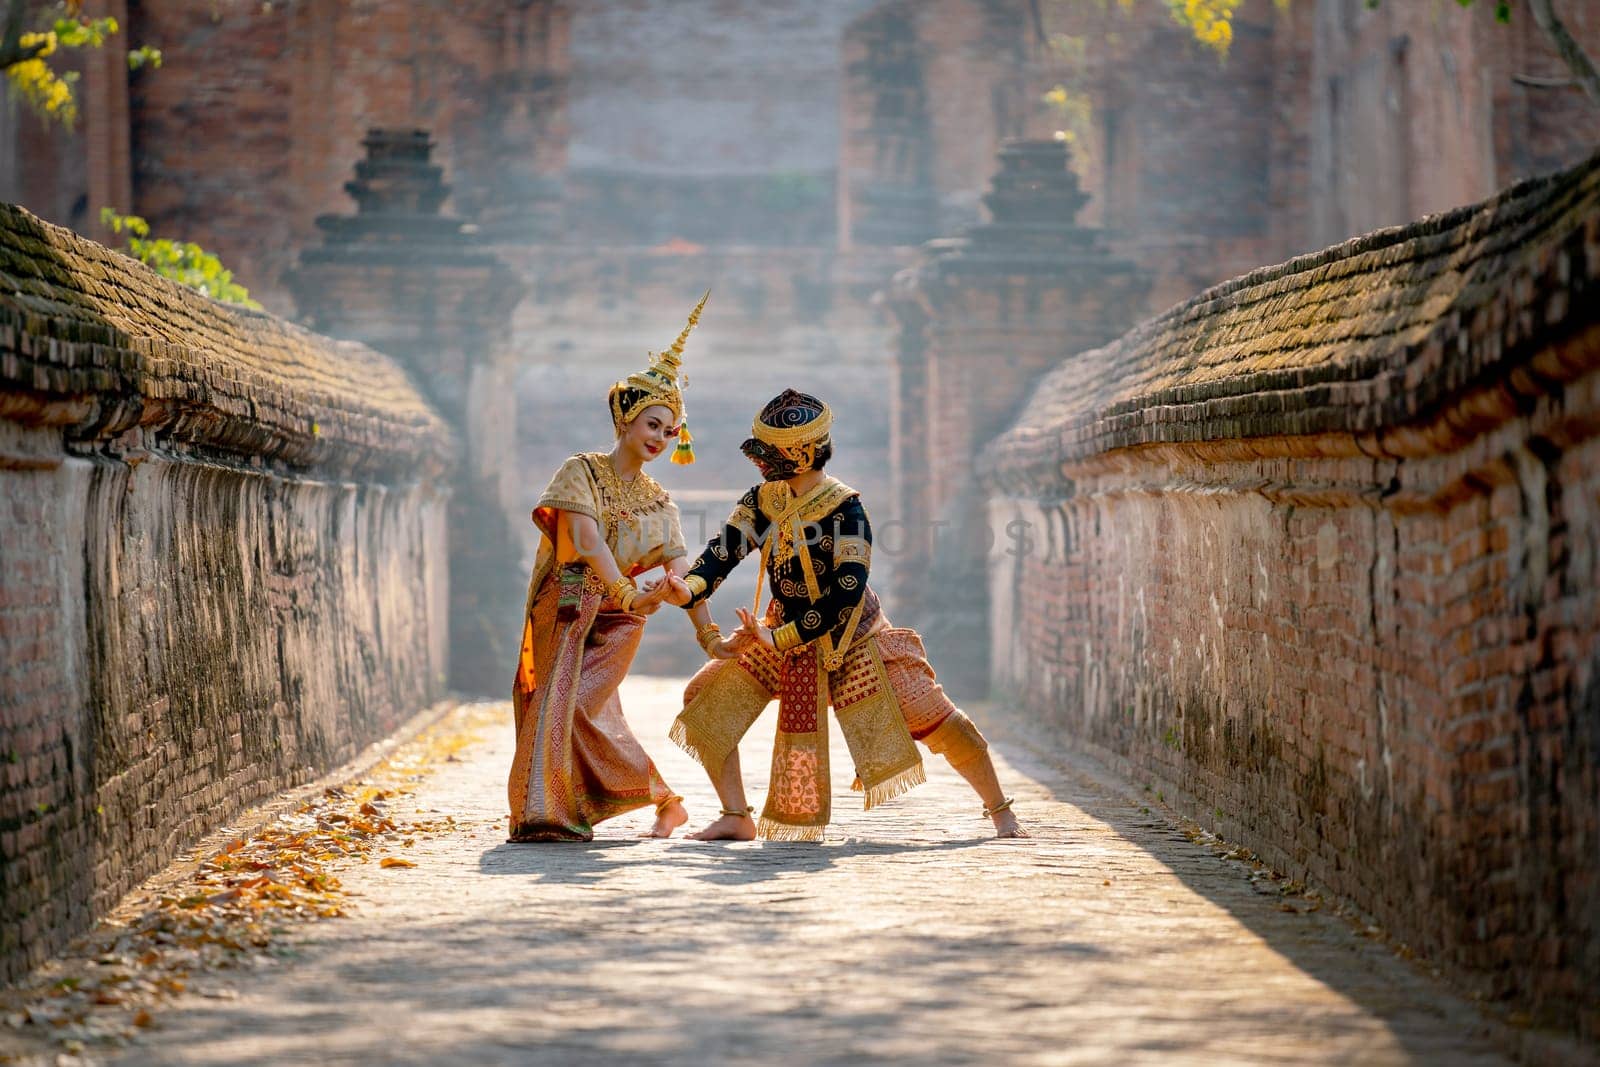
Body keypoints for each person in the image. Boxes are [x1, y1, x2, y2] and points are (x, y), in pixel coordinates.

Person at [662, 388, 1028, 842]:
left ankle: (1000, 809)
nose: (758, 461)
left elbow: (845, 593)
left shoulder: (846, 509)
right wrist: (689, 587)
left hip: (852, 638)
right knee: (703, 697)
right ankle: (736, 814)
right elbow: (722, 553)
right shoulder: (763, 499)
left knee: (935, 717)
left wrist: (780, 638)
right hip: (778, 632)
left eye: (769, 452)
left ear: (801, 453)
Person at [506, 294, 709, 842]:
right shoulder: (581, 471)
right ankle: (554, 812)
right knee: (555, 702)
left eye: (670, 431)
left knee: (582, 705)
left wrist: (698, 616)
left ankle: (636, 800)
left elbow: (680, 563)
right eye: (653, 423)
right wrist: (623, 588)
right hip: (569, 601)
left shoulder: (660, 501)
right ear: (625, 417)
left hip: (622, 618)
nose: (661, 438)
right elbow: (585, 539)